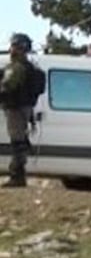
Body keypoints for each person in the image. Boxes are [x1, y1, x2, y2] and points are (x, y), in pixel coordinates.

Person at [0, 33, 36, 188]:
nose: (11, 49)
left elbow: (7, 87)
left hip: (15, 108)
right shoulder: (29, 67)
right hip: (23, 108)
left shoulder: (16, 68)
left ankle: (17, 176)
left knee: (17, 143)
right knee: (20, 141)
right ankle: (18, 175)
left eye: (14, 46)